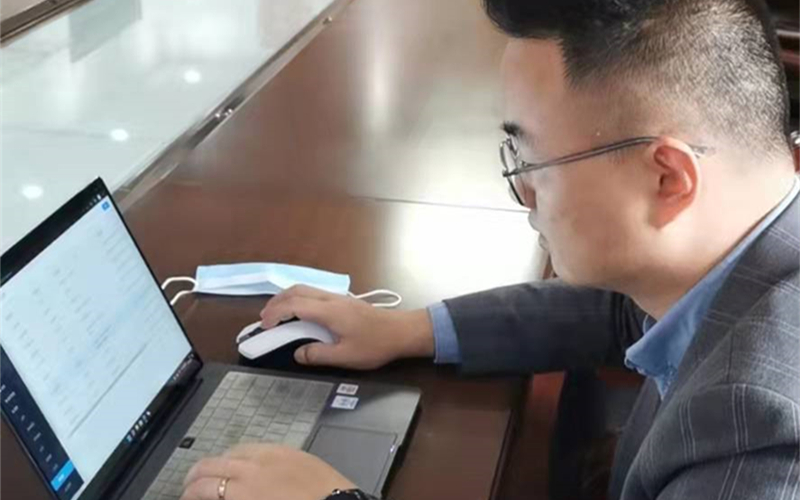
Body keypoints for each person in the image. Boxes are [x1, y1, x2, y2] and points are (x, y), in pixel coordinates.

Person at [179, 0, 800, 499]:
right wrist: (407, 329)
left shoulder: (762, 431)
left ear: (666, 178)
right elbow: (616, 311)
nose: (521, 192)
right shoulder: (732, 246)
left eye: (531, 159)